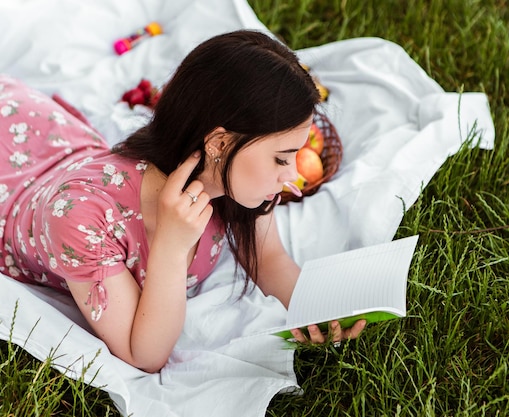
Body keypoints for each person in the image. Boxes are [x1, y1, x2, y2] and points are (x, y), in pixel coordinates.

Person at [0, 30, 365, 373]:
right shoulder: (83, 220)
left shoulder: (238, 185)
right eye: (281, 159)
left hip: (56, 151)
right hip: (17, 174)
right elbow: (144, 354)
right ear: (219, 144)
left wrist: (319, 311)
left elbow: (270, 261)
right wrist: (172, 249)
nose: (291, 176)